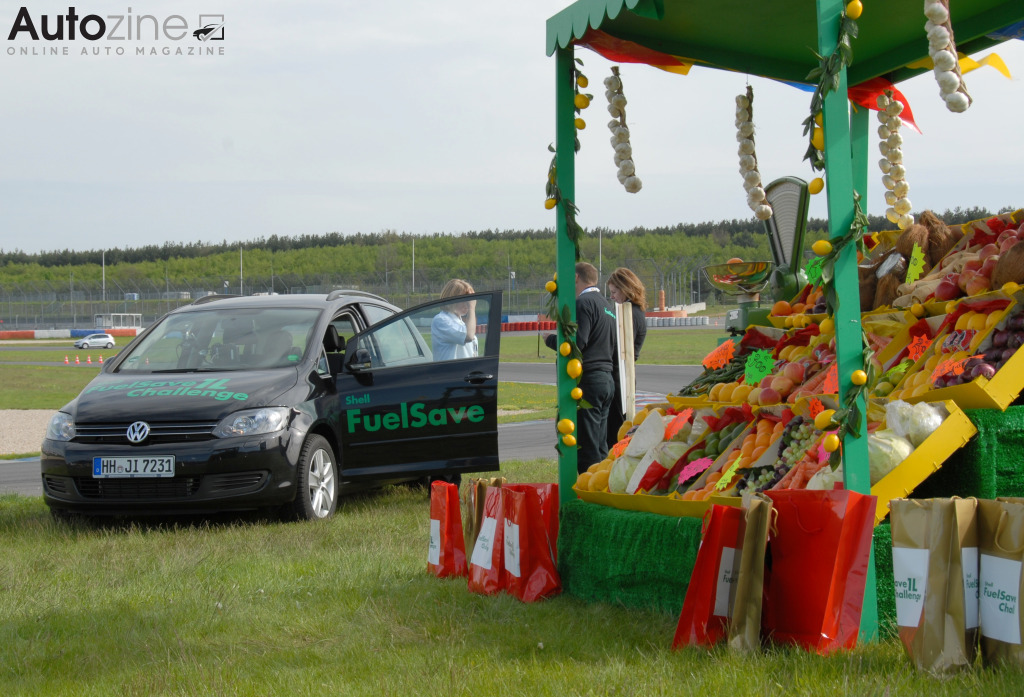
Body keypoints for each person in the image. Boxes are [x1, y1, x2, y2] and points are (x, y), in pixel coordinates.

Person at [545, 262, 617, 473]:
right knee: (600, 444)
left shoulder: (583, 303)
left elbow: (577, 345)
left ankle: (590, 491)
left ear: (576, 277)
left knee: (587, 447)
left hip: (589, 381)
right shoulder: (606, 304)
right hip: (606, 379)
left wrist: (551, 340)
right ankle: (601, 485)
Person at [606, 267, 648, 449]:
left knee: (616, 431)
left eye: (614, 292)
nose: (612, 297)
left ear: (626, 289)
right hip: (622, 376)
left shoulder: (629, 314)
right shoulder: (634, 312)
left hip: (621, 378)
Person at [431, 278, 479, 361]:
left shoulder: (460, 322)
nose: (468, 303)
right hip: (451, 373)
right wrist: (472, 308)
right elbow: (468, 336)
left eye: (470, 300)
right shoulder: (441, 320)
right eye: (465, 299)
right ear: (452, 299)